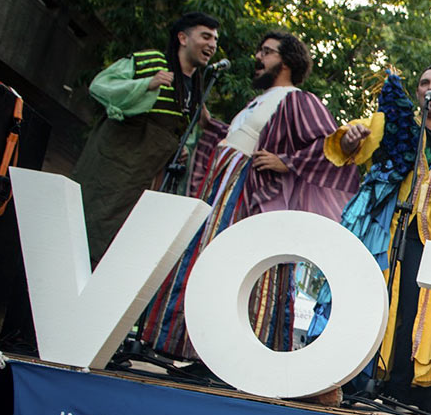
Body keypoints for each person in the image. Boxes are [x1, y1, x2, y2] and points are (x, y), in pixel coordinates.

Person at [138, 31, 361, 360]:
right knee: (204, 264)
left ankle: (235, 356)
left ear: (286, 63)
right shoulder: (257, 102)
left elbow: (327, 143)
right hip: (221, 185)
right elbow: (228, 134)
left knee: (240, 268)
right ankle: (191, 348)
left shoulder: (298, 99)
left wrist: (286, 162)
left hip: (248, 193)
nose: (258, 57)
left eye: (267, 52)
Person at [308, 66, 431, 413]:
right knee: (374, 299)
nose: (430, 88)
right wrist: (351, 138)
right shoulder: (393, 124)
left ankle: (406, 389)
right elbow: (349, 143)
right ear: (418, 92)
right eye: (424, 83)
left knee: (420, 309)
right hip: (386, 229)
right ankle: (360, 379)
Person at [70, 12, 219, 266]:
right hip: (115, 164)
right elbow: (101, 86)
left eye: (215, 40)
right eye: (206, 36)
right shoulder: (152, 61)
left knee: (120, 241)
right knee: (88, 226)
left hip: (146, 176)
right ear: (182, 38)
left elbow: (182, 132)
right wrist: (146, 85)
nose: (212, 45)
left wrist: (180, 147)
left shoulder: (196, 85)